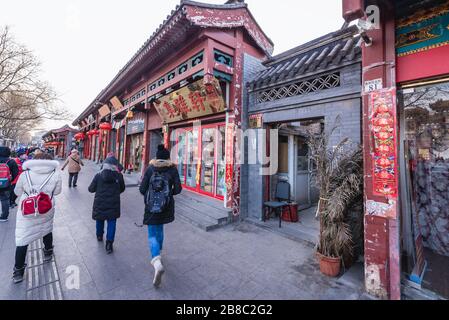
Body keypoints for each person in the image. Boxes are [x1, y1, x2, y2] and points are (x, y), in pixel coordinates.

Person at [12, 153, 62, 283]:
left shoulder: (25, 175)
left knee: (23, 238)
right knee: (46, 228)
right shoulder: (55, 174)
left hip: (27, 209)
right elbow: (57, 192)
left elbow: (17, 192)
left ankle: (18, 271)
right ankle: (48, 251)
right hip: (46, 207)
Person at [139, 144, 182, 287]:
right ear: (168, 157)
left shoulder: (150, 168)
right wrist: (167, 194)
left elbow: (142, 189)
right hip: (165, 206)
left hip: (151, 207)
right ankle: (160, 252)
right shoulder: (172, 169)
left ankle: (156, 261)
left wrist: (152, 194)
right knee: (160, 228)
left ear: (156, 156)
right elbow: (178, 190)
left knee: (152, 233)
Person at [88, 156, 125, 254]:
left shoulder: (98, 175)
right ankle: (109, 244)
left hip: (100, 203)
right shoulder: (119, 176)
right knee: (112, 223)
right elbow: (122, 188)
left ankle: (99, 235)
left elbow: (90, 189)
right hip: (113, 204)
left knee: (100, 219)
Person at [0, 147, 19, 222]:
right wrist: (10, 180)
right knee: (5, 199)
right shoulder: (11, 161)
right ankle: (4, 217)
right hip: (6, 184)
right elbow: (16, 173)